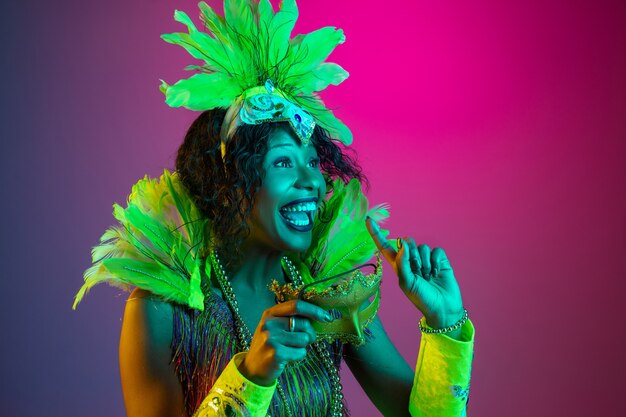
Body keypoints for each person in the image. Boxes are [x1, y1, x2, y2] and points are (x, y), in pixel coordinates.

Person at [74, 1, 474, 416]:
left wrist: (445, 322)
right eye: (283, 162)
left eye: (314, 162)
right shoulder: (161, 311)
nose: (313, 182)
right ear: (228, 184)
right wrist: (250, 376)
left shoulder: (328, 289)